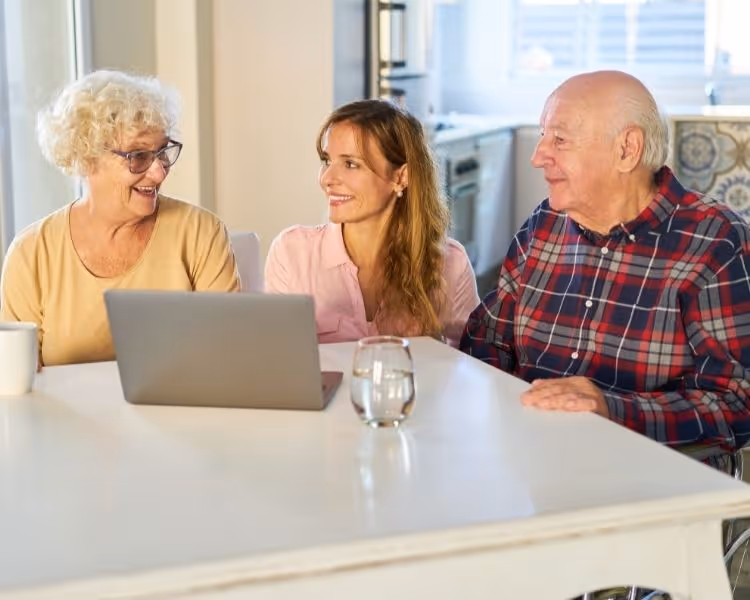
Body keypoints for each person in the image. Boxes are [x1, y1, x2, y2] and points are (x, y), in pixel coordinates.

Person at [460, 70, 750, 469]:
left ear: (627, 149)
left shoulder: (715, 242)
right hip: (535, 463)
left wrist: (610, 410)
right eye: (544, 136)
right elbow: (486, 344)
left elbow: (736, 402)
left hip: (656, 482)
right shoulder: (543, 226)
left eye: (559, 139)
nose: (538, 155)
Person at [0, 70, 239, 366]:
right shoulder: (32, 255)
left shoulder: (202, 233)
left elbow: (229, 359)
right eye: (138, 156)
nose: (159, 171)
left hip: (177, 413)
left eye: (162, 151)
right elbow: (18, 385)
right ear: (87, 157)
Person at [265, 99, 479, 346]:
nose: (327, 179)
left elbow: (473, 360)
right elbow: (276, 359)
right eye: (326, 161)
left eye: (350, 164)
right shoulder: (292, 253)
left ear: (400, 177)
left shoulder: (450, 263)